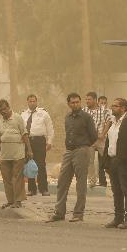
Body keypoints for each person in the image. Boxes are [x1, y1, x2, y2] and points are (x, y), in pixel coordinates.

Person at [47, 93, 98, 223]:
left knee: (80, 184)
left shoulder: (86, 117)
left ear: (80, 103)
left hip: (82, 150)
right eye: (73, 102)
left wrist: (85, 147)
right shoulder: (67, 117)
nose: (75, 104)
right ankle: (59, 212)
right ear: (69, 104)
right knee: (62, 182)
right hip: (68, 152)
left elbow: (93, 136)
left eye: (77, 102)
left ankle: (78, 213)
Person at [104, 98, 127, 230]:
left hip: (125, 162)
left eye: (115, 106)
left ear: (123, 108)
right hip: (113, 161)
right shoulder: (113, 123)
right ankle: (118, 218)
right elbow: (109, 144)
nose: (112, 108)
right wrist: (106, 162)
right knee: (116, 191)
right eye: (112, 105)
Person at [0, 99, 32, 208]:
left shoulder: (17, 118)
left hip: (18, 154)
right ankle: (10, 201)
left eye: (5, 109)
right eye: (1, 110)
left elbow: (24, 135)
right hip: (5, 155)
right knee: (6, 179)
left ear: (9, 107)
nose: (4, 111)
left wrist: (29, 150)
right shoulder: (0, 122)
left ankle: (18, 201)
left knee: (17, 178)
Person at [21, 94, 54, 197]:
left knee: (41, 165)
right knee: (29, 165)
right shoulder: (23, 114)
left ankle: (43, 189)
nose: (32, 103)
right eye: (30, 101)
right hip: (27, 141)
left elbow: (50, 128)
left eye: (34, 101)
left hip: (39, 141)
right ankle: (32, 189)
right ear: (27, 102)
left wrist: (50, 141)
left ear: (36, 102)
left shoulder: (43, 113)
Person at [84, 91, 111, 188]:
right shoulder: (84, 111)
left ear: (95, 100)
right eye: (86, 99)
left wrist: (103, 134)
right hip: (89, 140)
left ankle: (114, 179)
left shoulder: (104, 110)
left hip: (101, 140)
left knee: (108, 158)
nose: (87, 101)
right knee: (89, 161)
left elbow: (109, 121)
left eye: (89, 99)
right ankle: (92, 181)